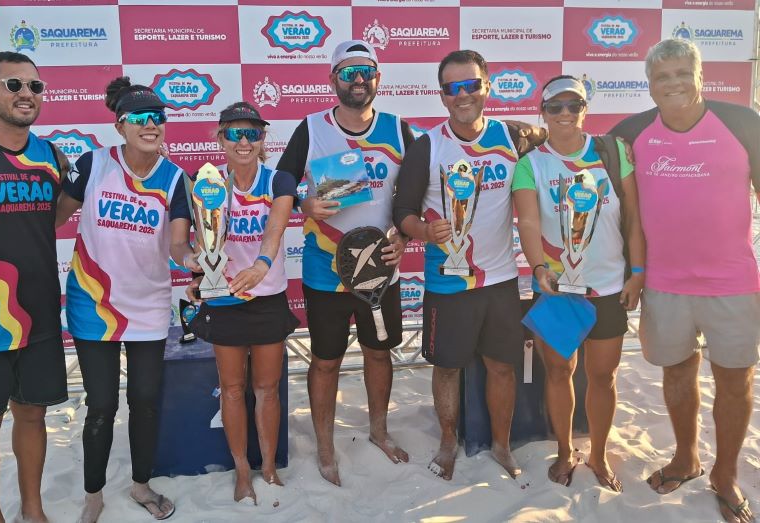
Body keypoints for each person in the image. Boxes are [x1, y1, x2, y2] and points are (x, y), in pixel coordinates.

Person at [610, 38, 760, 523]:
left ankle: (726, 474)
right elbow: (602, 195)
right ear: (649, 85)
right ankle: (686, 457)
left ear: (700, 75)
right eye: (661, 77)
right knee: (676, 372)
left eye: (681, 73)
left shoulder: (742, 123)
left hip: (733, 283)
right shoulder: (631, 133)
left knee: (735, 383)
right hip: (665, 283)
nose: (672, 84)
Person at [393, 49, 546, 481]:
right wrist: (422, 233)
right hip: (448, 283)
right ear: (442, 96)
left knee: (502, 366)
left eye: (470, 85)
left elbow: (559, 154)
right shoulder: (428, 147)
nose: (462, 95)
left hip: (500, 281)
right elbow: (402, 210)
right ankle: (447, 442)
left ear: (486, 87)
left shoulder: (514, 137)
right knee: (446, 368)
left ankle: (501, 445)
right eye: (452, 88)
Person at [56, 77, 194, 522]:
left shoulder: (176, 178)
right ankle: (93, 494)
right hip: (92, 304)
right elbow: (51, 217)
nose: (150, 125)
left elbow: (177, 247)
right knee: (101, 405)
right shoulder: (93, 163)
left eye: (157, 117)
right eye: (139, 118)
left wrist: (203, 262)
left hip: (148, 305)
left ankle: (140, 485)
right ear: (120, 125)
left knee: (146, 399)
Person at [275, 40, 413, 486]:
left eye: (366, 71)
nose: (358, 80)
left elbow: (416, 194)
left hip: (379, 268)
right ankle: (326, 447)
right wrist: (304, 203)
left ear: (378, 78)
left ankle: (378, 432)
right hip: (325, 269)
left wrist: (405, 235)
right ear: (332, 79)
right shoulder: (311, 127)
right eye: (348, 72)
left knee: (379, 353)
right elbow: (280, 180)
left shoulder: (397, 128)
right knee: (326, 360)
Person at [512, 75, 645, 491]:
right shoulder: (530, 164)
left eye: (574, 105)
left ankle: (600, 454)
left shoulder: (613, 151)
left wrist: (637, 273)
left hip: (607, 287)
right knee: (558, 371)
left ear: (586, 108)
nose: (565, 114)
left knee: (603, 377)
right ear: (543, 113)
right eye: (556, 107)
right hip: (557, 288)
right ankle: (566, 451)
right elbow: (528, 221)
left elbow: (634, 219)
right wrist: (537, 268)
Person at [0, 51, 68, 523]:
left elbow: (55, 218)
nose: (26, 94)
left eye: (35, 86)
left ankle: (33, 510)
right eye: (13, 85)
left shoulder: (51, 155)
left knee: (33, 414)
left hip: (39, 312)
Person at [185, 101, 299, 504]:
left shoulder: (279, 180)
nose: (245, 141)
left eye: (253, 133)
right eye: (235, 133)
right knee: (232, 389)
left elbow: (276, 227)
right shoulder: (205, 184)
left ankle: (268, 466)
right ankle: (242, 471)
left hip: (267, 297)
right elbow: (194, 244)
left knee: (267, 388)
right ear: (221, 139)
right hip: (225, 299)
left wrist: (263, 263)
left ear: (263, 139)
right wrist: (197, 268)